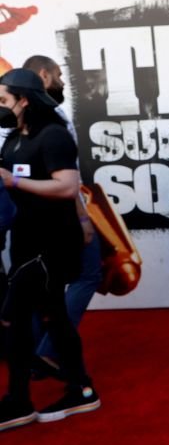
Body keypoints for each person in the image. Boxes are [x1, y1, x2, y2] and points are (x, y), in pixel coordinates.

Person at [0, 69, 99, 431]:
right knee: (53, 317)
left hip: (51, 243)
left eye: (4, 100)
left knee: (13, 316)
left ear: (24, 101)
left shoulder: (53, 136)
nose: (1, 107)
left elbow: (67, 186)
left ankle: (18, 400)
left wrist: (14, 180)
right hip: (25, 241)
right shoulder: (12, 140)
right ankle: (81, 388)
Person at [22, 55, 103, 378]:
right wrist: (83, 219)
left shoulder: (20, 122)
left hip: (29, 218)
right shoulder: (54, 119)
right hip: (62, 215)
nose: (63, 81)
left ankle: (34, 354)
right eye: (57, 75)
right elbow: (68, 183)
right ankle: (48, 352)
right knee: (88, 274)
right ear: (43, 76)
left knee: (35, 286)